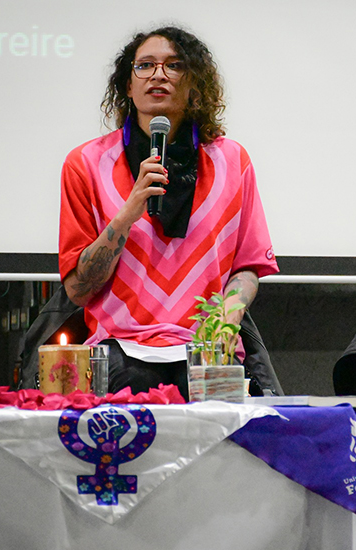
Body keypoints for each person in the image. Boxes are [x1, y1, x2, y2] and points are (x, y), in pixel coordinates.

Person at [58, 26, 278, 397]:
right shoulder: (86, 164)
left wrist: (231, 311)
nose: (158, 75)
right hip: (121, 351)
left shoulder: (231, 161)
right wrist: (128, 213)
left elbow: (247, 266)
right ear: (128, 86)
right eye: (145, 65)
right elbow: (78, 290)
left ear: (195, 86)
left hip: (207, 352)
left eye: (174, 65)